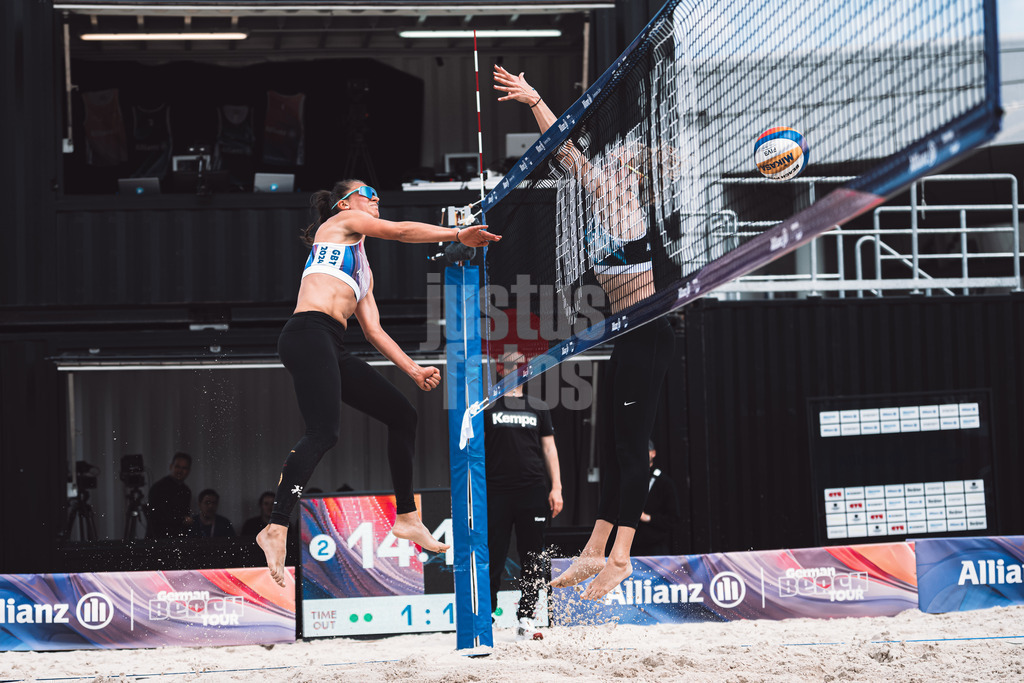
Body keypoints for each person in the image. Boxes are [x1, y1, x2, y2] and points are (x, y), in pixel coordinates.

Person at [256, 179, 501, 587]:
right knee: (323, 433)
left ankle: (406, 516)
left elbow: (373, 330)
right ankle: (276, 526)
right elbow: (402, 231)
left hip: (331, 342)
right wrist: (458, 234)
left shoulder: (362, 267)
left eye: (377, 196)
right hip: (306, 332)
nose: (376, 200)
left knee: (402, 414)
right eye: (370, 193)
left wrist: (414, 370)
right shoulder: (339, 223)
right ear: (345, 201)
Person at [494, 66, 675, 600]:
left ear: (630, 176)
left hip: (648, 334)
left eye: (619, 161)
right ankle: (596, 549)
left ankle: (620, 555)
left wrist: (535, 100)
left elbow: (565, 151)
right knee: (616, 448)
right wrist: (535, 99)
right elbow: (570, 153)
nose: (609, 163)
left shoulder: (621, 203)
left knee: (632, 448)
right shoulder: (607, 202)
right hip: (629, 335)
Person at [484, 353, 563, 641]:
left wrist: (557, 487)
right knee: (493, 555)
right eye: (509, 364)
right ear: (500, 369)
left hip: (532, 491)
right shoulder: (487, 405)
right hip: (496, 492)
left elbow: (549, 449)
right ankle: (487, 616)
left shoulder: (539, 407)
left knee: (532, 557)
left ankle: (527, 618)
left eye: (521, 365)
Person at [632, 440, 681, 557]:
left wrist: (647, 518)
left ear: (653, 453)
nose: (642, 454)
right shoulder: (629, 480)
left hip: (656, 550)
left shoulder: (664, 482)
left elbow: (673, 518)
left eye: (646, 451)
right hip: (630, 548)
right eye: (639, 451)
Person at [145, 452, 194, 539]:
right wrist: (182, 519)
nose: (180, 471)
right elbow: (157, 517)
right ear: (171, 466)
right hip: (158, 539)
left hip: (176, 540)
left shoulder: (186, 491)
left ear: (189, 471)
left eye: (184, 468)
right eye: (177, 467)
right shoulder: (159, 488)